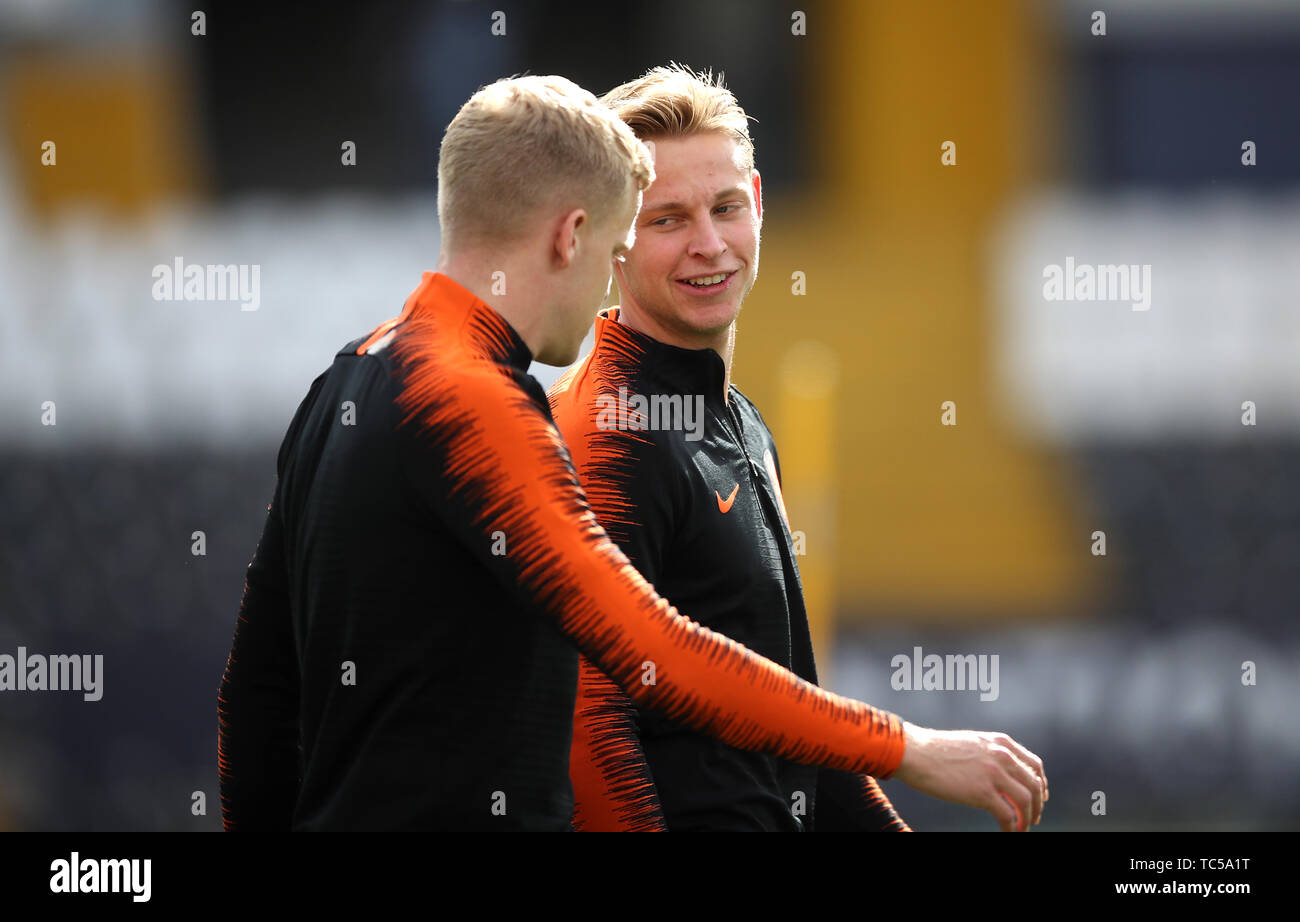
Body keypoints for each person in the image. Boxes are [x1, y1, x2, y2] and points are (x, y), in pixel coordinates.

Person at [218, 74, 1047, 831]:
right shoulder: (478, 400)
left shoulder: (346, 379)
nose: (619, 273)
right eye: (631, 235)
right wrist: (908, 745)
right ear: (573, 234)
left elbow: (259, 692)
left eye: (726, 209)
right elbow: (649, 652)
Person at [550, 64, 1044, 831]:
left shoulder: (742, 424)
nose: (709, 245)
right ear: (612, 236)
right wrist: (906, 745)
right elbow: (586, 730)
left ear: (759, 202)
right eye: (668, 220)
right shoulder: (605, 434)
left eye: (725, 208)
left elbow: (798, 736)